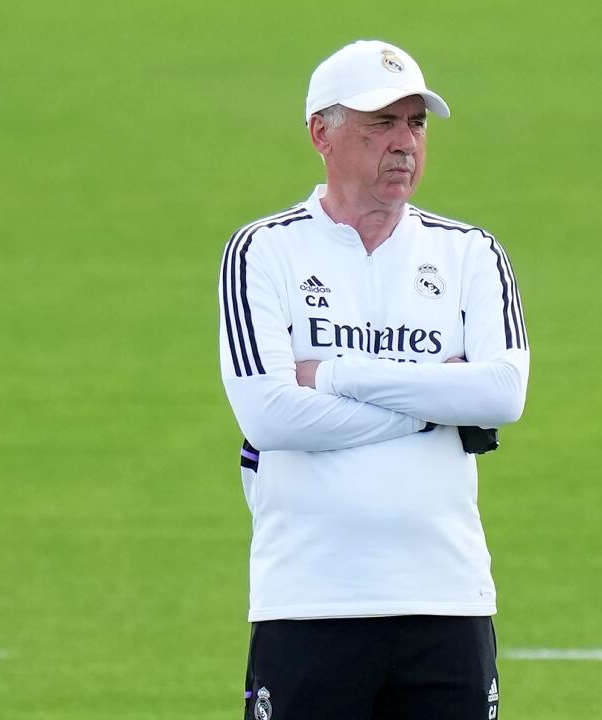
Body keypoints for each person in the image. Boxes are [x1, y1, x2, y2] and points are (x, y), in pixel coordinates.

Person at [218, 39, 529, 720]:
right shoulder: (264, 250)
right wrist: (433, 404)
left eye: (415, 123)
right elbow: (270, 416)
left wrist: (336, 375)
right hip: (309, 601)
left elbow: (502, 394)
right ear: (321, 134)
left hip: (447, 600)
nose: (405, 143)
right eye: (381, 123)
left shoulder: (470, 253)